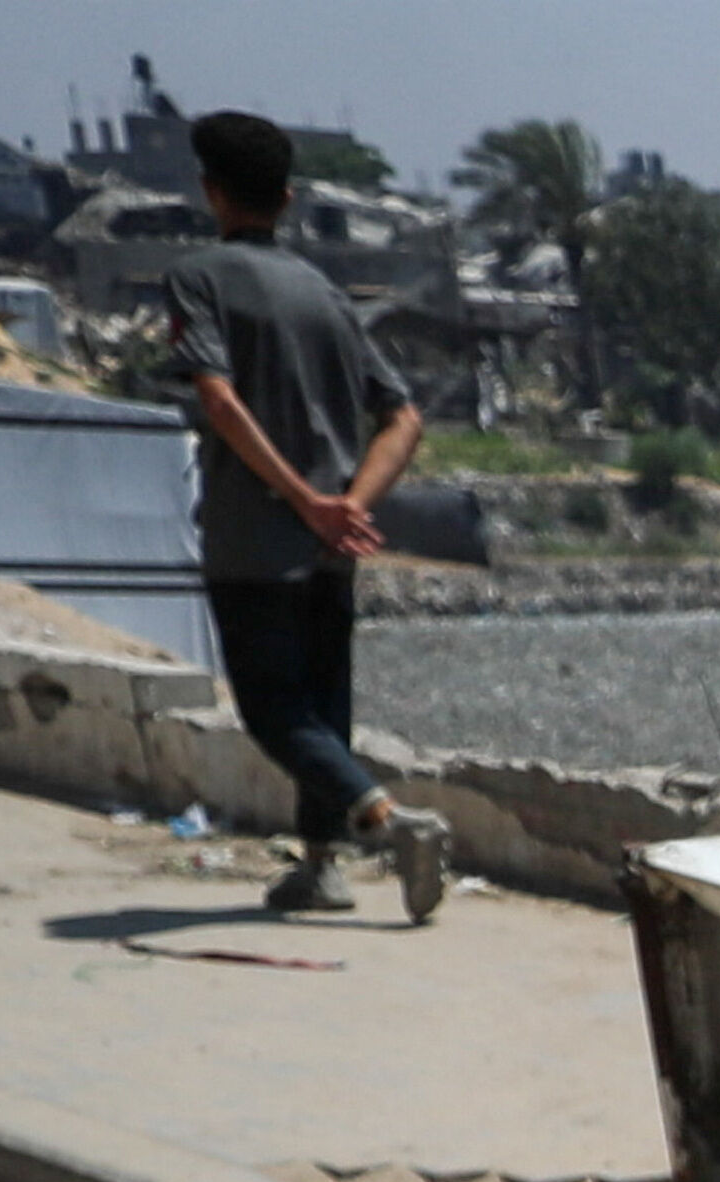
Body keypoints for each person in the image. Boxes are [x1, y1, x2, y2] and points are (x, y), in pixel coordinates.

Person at [164, 110, 447, 925]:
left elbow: (216, 397)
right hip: (333, 544)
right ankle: (321, 868)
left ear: (213, 193)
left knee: (275, 711)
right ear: (287, 198)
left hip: (257, 537)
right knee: (325, 706)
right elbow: (404, 418)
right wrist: (348, 508)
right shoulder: (322, 291)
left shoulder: (198, 278)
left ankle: (392, 823)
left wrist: (302, 501)